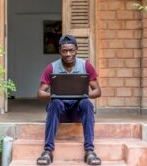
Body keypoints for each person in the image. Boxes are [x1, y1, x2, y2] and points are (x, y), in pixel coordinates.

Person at [36, 34, 102, 165]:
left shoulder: (86, 66)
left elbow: (98, 91)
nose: (68, 54)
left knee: (86, 104)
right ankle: (48, 151)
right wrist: (54, 95)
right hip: (60, 113)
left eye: (71, 50)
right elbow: (40, 93)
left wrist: (84, 94)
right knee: (55, 103)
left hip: (78, 112)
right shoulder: (52, 68)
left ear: (76, 49)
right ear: (60, 50)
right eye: (64, 50)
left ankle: (89, 151)